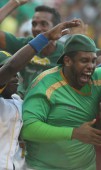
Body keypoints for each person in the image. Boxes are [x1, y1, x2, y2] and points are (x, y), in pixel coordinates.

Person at [21, 33, 101, 169]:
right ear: (67, 60)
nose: (91, 66)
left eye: (93, 60)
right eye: (84, 60)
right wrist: (74, 133)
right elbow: (28, 128)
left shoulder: (99, 77)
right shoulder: (46, 84)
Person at [0, 19, 81, 170]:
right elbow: (11, 66)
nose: (16, 76)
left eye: (17, 74)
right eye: (10, 74)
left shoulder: (19, 102)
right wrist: (45, 37)